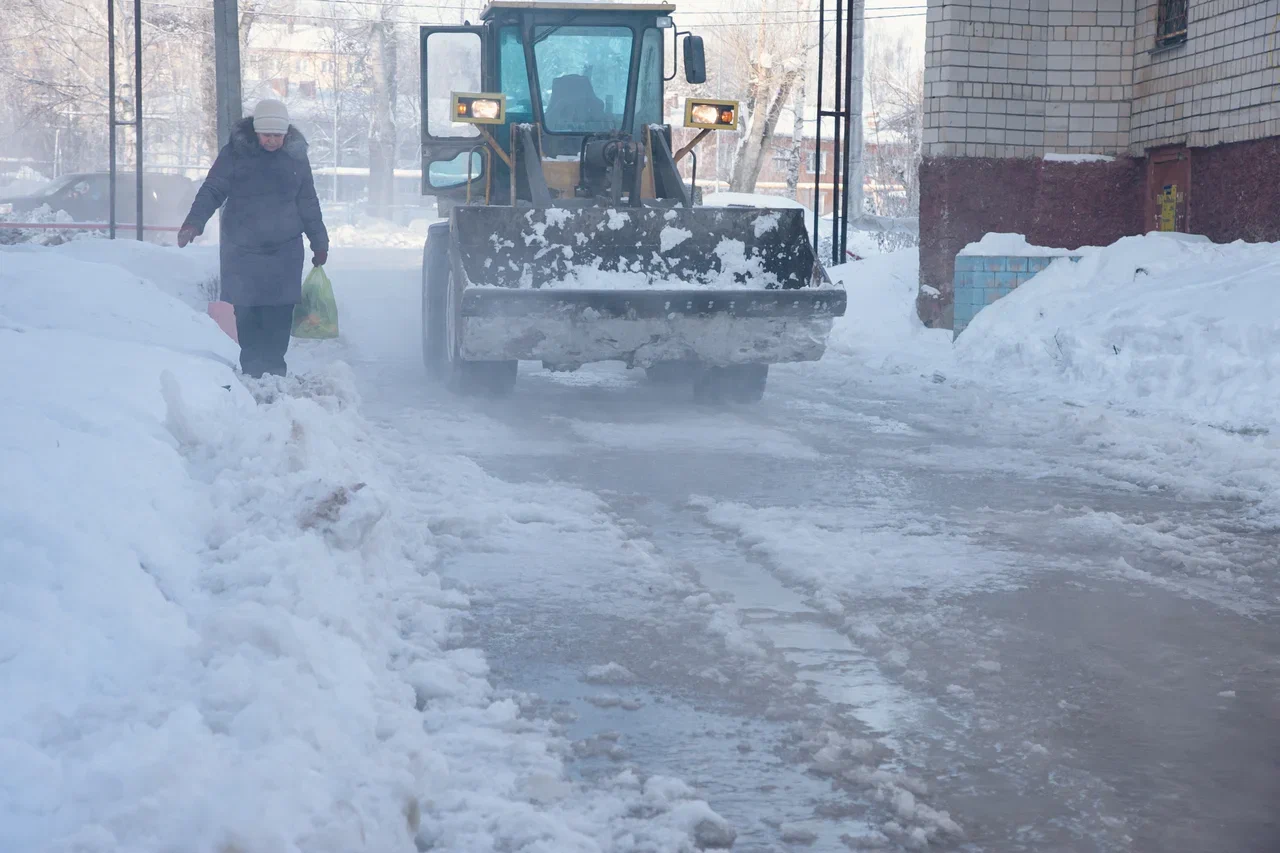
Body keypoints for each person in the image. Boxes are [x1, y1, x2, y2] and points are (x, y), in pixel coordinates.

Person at [177, 99, 329, 378]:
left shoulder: (296, 158)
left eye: (277, 136)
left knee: (279, 316)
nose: (272, 141)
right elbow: (213, 189)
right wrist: (194, 222)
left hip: (284, 250)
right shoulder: (235, 154)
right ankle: (253, 374)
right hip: (242, 248)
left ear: (286, 134)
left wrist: (319, 242)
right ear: (255, 132)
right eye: (266, 135)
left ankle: (274, 374)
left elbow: (307, 201)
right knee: (247, 315)